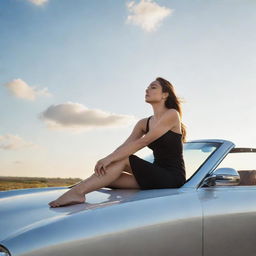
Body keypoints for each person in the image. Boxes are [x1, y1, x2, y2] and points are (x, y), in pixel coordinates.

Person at [48, 77, 187, 208]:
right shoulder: (143, 123)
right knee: (108, 175)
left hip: (172, 178)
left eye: (153, 87)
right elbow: (125, 146)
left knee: (121, 159)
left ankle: (77, 193)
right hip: (154, 176)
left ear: (164, 95)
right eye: (147, 88)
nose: (147, 90)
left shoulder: (172, 114)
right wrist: (107, 161)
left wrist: (109, 159)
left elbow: (143, 142)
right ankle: (79, 189)